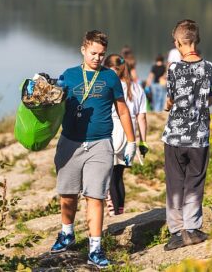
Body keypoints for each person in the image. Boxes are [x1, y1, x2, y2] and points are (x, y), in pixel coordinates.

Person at [51, 30, 136, 268]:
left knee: (95, 196)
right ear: (83, 49)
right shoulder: (68, 76)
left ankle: (95, 249)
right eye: (93, 53)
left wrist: (132, 141)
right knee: (67, 193)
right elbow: (52, 106)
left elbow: (122, 110)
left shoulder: (110, 78)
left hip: (100, 144)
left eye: (101, 54)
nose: (97, 58)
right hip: (70, 142)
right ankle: (67, 234)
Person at [162, 19, 212, 251]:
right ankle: (192, 229)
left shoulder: (174, 68)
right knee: (195, 181)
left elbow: (171, 100)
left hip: (175, 136)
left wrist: (169, 106)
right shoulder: (209, 67)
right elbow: (210, 99)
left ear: (177, 43)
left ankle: (176, 232)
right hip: (199, 136)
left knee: (175, 182)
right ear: (196, 41)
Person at [103, 54, 149, 216]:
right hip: (129, 133)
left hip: (112, 130)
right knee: (119, 175)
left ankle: (113, 213)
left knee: (109, 176)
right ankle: (120, 210)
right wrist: (142, 142)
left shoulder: (109, 85)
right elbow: (141, 117)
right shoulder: (137, 88)